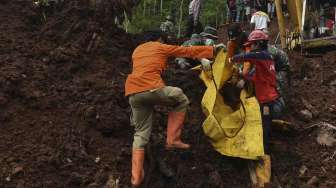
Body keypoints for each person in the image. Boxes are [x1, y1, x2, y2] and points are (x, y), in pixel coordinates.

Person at [125, 30, 218, 187]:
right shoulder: (160, 46)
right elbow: (185, 51)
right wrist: (212, 50)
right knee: (180, 97)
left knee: (140, 134)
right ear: (159, 39)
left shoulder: (137, 51)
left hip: (133, 93)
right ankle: (173, 139)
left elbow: (148, 65)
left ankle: (136, 178)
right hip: (152, 88)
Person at [230, 30, 278, 187]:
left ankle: (263, 154)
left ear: (259, 44)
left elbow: (245, 57)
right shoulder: (265, 60)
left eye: (252, 45)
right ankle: (262, 148)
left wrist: (230, 59)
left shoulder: (262, 55)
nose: (250, 48)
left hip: (267, 100)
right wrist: (243, 77)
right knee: (264, 124)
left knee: (265, 126)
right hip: (266, 97)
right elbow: (256, 77)